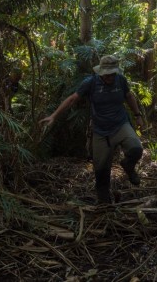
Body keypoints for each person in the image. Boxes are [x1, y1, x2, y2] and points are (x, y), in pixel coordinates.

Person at [39, 55, 144, 204]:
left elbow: (129, 96)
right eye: (106, 74)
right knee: (101, 170)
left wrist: (138, 115)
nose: (110, 77)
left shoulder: (121, 80)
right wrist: (54, 116)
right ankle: (104, 202)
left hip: (121, 124)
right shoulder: (90, 83)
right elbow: (72, 99)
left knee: (136, 149)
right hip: (101, 131)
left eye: (112, 73)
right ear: (100, 72)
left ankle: (128, 166)